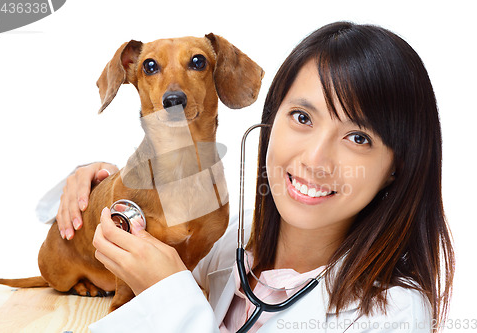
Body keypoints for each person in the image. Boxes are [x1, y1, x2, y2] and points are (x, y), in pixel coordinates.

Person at [53, 22, 454, 332]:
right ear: (270, 120)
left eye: (357, 137)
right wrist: (101, 182)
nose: (315, 159)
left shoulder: (395, 313)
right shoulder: (228, 241)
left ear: (397, 168)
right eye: (302, 117)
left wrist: (171, 295)